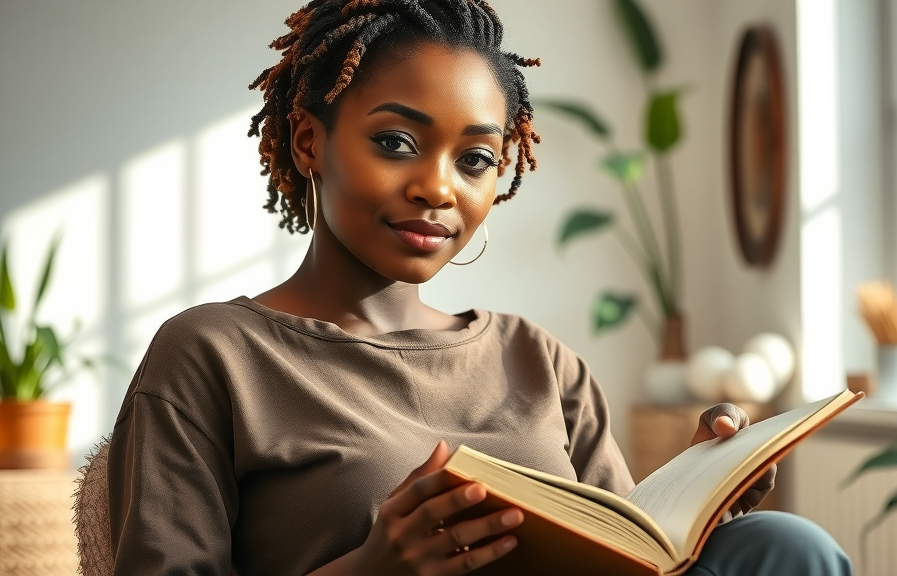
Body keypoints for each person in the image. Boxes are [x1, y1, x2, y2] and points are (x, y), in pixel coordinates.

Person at [106, 1, 852, 575]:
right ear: (309, 140)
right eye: (396, 142)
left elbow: (631, 552)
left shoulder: (537, 359)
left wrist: (699, 496)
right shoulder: (213, 356)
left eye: (475, 160)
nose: (437, 187)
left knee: (782, 543)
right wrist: (370, 571)